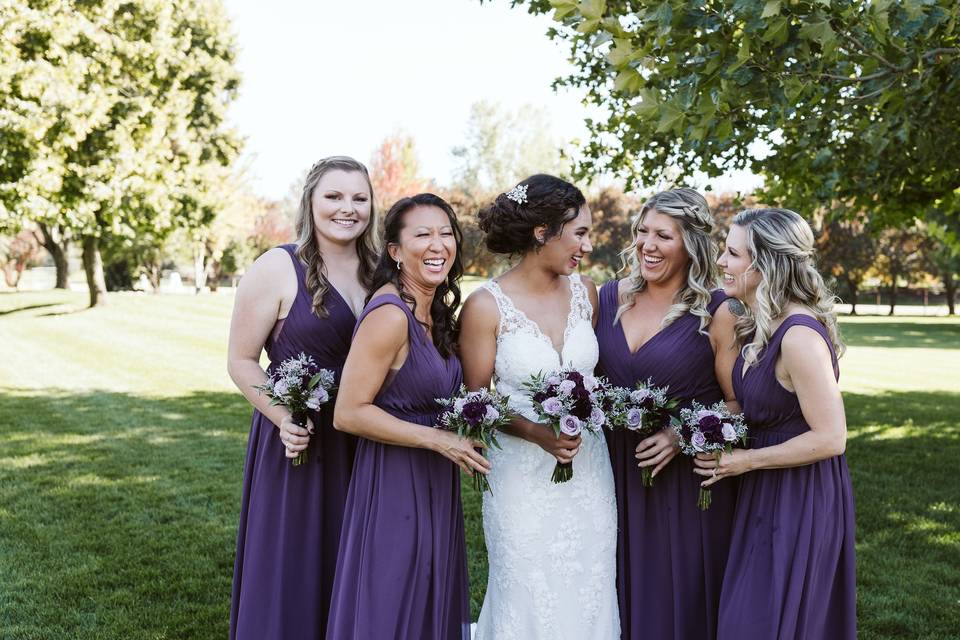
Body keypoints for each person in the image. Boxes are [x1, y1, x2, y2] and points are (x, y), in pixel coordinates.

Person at [458, 175, 619, 640]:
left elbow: (596, 380)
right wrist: (536, 432)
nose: (587, 246)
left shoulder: (585, 294)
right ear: (542, 232)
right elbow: (476, 402)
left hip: (588, 469)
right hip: (519, 477)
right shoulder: (486, 306)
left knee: (589, 581)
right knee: (527, 587)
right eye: (580, 233)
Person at [227, 156, 378, 639]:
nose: (347, 209)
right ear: (310, 202)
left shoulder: (383, 271)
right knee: (297, 563)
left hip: (368, 440)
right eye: (333, 196)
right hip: (301, 441)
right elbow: (242, 360)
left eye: (359, 197)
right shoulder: (278, 266)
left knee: (363, 564)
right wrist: (282, 417)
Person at [326, 194, 488, 640]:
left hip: (435, 481)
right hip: (394, 483)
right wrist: (439, 440)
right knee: (392, 604)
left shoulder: (434, 311)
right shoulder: (390, 315)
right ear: (395, 252)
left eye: (445, 233)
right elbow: (349, 412)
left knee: (427, 605)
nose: (438, 244)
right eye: (422, 235)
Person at [695, 207, 856, 639]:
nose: (722, 263)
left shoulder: (799, 336)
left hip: (799, 497)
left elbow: (831, 437)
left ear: (764, 264)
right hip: (765, 488)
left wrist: (745, 460)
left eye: (732, 254)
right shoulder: (762, 325)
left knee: (766, 620)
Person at [594, 188, 738, 640]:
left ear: (691, 243)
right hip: (611, 472)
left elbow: (739, 402)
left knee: (679, 600)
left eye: (663, 236)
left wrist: (681, 435)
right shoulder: (607, 297)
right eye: (642, 232)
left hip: (682, 484)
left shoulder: (718, 311)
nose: (647, 245)